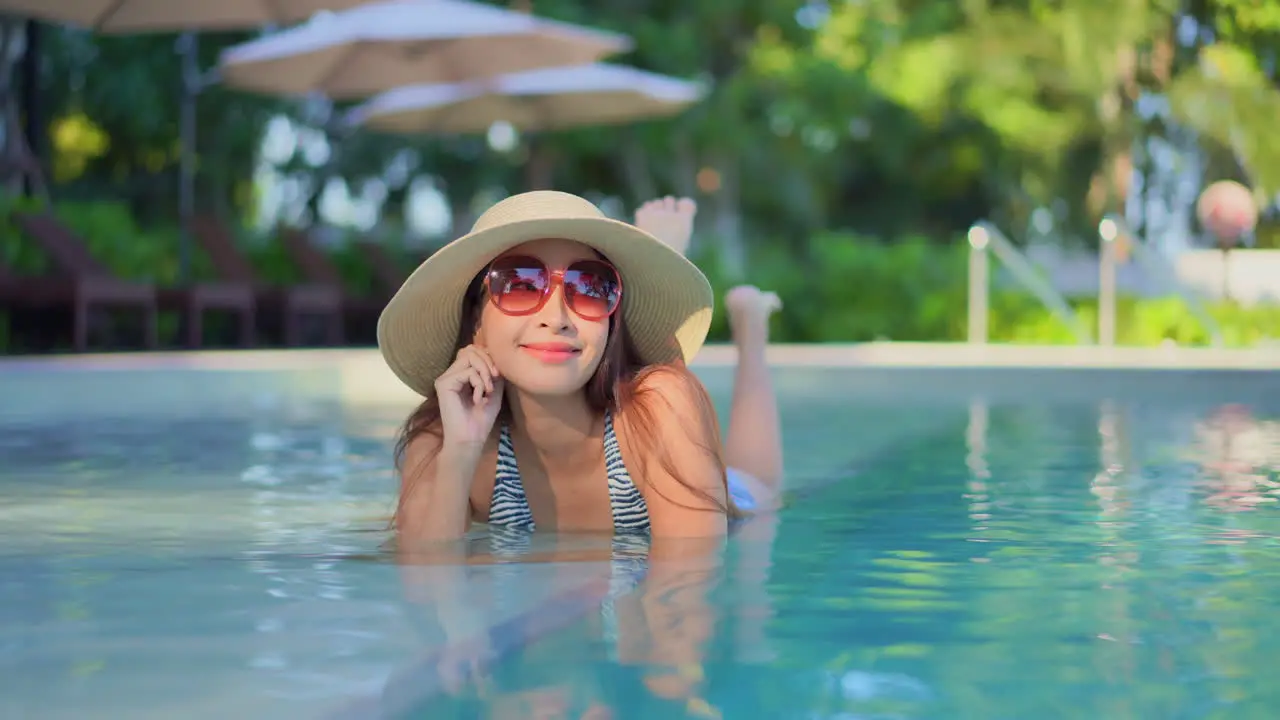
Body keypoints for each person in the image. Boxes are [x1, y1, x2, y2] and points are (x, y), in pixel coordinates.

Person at [381, 190, 783, 541]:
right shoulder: (441, 439)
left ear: (612, 320)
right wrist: (462, 452)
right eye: (520, 284)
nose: (556, 317)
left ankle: (751, 327)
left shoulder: (659, 406)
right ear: (475, 323)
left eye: (591, 287)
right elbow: (425, 585)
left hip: (717, 493)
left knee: (759, 483)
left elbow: (689, 598)